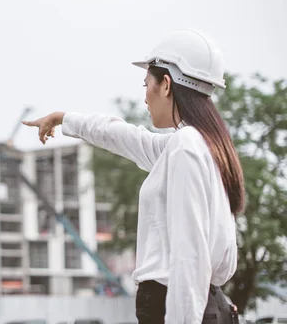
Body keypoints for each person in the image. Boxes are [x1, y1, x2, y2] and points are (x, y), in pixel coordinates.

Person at [22, 29, 245, 323]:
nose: (144, 98)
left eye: (146, 84)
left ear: (166, 84)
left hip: (173, 305)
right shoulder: (201, 146)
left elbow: (189, 258)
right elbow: (127, 137)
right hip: (199, 303)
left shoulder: (186, 148)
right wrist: (66, 118)